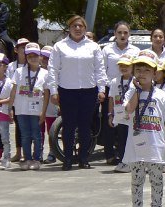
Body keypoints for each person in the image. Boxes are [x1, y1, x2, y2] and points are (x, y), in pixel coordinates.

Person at [46, 15, 108, 170]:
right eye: (75, 26)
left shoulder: (93, 47)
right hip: (67, 91)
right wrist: (53, 91)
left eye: (81, 26)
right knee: (69, 126)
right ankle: (67, 159)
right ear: (69, 28)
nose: (78, 29)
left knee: (85, 126)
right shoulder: (60, 46)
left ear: (85, 28)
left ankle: (83, 158)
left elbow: (99, 70)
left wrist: (101, 89)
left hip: (88, 91)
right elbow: (53, 70)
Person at [122, 54, 165, 207]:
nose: (142, 73)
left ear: (155, 73)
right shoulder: (131, 92)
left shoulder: (161, 95)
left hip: (155, 146)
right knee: (137, 180)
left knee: (156, 180)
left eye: (147, 70)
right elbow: (129, 110)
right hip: (136, 147)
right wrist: (137, 91)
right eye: (138, 69)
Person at [99, 23, 139, 163]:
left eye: (125, 32)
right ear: (114, 34)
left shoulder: (135, 50)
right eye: (120, 32)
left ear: (129, 34)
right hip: (112, 90)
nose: (122, 35)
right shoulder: (106, 50)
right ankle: (109, 155)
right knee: (110, 123)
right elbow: (101, 69)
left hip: (131, 90)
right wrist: (103, 89)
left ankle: (125, 156)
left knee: (127, 125)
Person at [10, 45, 49, 170]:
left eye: (35, 56)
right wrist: (11, 107)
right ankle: (27, 159)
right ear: (26, 57)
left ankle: (37, 158)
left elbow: (47, 93)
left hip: (36, 110)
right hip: (21, 109)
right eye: (30, 56)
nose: (33, 58)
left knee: (37, 135)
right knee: (25, 135)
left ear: (40, 57)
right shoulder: (19, 71)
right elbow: (14, 90)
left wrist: (43, 112)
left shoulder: (45, 73)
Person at [109, 55, 135, 172]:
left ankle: (131, 161)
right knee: (121, 138)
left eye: (127, 66)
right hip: (120, 115)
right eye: (121, 66)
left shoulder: (135, 81)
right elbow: (111, 98)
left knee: (132, 139)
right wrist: (110, 114)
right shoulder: (115, 81)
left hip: (132, 116)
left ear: (132, 66)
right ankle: (123, 161)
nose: (124, 68)